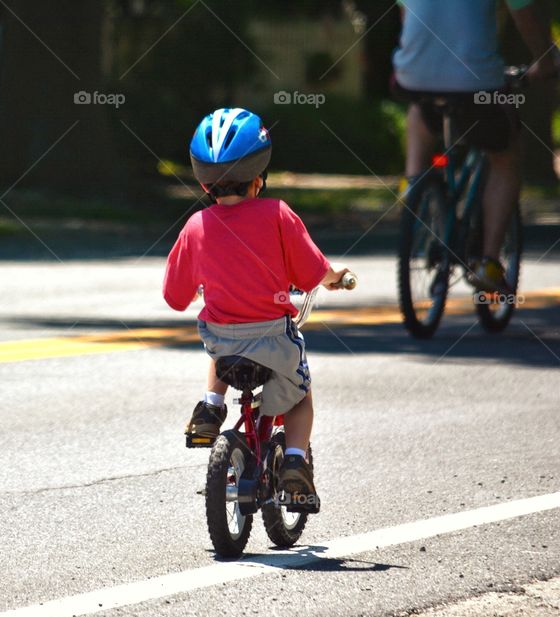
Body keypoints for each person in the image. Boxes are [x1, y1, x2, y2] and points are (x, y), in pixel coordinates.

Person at [162, 107, 350, 512]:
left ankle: (211, 407)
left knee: (218, 332)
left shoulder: (195, 226)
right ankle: (296, 463)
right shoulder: (278, 215)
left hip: (223, 343)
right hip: (272, 339)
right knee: (301, 396)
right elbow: (312, 271)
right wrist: (334, 278)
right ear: (258, 176)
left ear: (203, 180)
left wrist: (201, 287)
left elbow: (175, 298)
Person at [392, 0, 558, 292]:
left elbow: (409, 19)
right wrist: (545, 61)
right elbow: (526, 19)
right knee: (506, 154)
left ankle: (414, 184)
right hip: (475, 82)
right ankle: (489, 262)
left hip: (413, 76)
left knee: (419, 108)